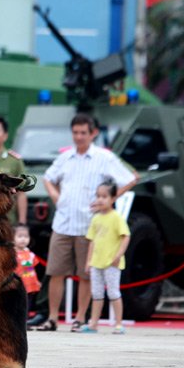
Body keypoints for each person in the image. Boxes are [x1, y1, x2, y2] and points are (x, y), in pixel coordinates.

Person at [36, 113, 136, 332]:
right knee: (55, 271)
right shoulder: (65, 157)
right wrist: (55, 196)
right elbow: (48, 177)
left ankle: (80, 318)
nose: (79, 137)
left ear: (94, 133)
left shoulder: (104, 158)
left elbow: (130, 178)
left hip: (89, 225)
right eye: (75, 132)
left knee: (85, 274)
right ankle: (52, 318)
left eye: (83, 133)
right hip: (62, 222)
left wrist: (108, 201)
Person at [77, 180, 131, 334]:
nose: (100, 199)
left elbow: (125, 236)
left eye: (104, 196)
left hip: (111, 263)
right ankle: (93, 323)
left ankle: (119, 324)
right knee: (97, 294)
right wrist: (88, 262)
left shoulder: (116, 218)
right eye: (98, 196)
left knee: (114, 293)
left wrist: (118, 255)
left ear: (113, 199)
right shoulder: (96, 218)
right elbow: (92, 241)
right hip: (97, 263)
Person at [13, 224, 41, 316]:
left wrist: (36, 281)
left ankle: (25, 321)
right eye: (20, 236)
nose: (23, 239)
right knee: (16, 305)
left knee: (27, 305)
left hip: (30, 285)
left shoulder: (30, 254)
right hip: (17, 286)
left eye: (26, 236)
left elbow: (32, 268)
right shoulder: (12, 254)